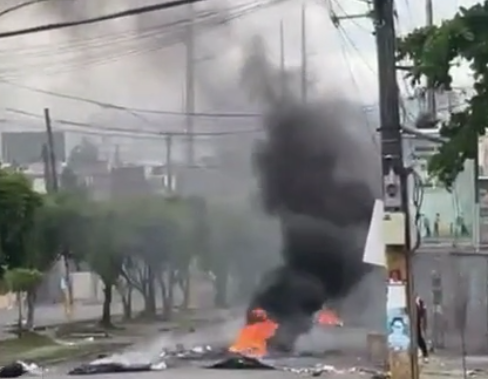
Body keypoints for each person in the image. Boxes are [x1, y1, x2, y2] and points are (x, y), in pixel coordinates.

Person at [416, 295, 429, 363]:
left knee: (419, 339)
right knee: (418, 339)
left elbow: (422, 314)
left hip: (416, 324)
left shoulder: (419, 303)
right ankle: (424, 355)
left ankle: (425, 355)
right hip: (413, 324)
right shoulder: (417, 303)